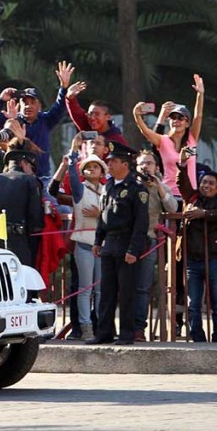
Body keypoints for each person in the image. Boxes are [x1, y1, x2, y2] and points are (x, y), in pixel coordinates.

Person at [87, 142, 149, 345]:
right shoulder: (109, 185)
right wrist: (98, 240)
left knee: (127, 292)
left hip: (126, 243)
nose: (110, 164)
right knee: (106, 292)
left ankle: (126, 334)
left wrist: (133, 250)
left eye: (113, 161)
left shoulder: (137, 189)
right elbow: (103, 216)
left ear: (125, 164)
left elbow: (141, 223)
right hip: (110, 243)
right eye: (109, 161)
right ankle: (104, 332)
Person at [0, 61, 73, 174]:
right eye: (25, 103)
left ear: (39, 106)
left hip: (41, 177)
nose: (28, 106)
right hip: (16, 174)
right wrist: (1, 99)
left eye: (32, 102)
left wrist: (64, 87)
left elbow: (60, 106)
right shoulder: (13, 122)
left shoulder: (46, 120)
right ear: (20, 105)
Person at [59, 151, 108, 341]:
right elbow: (72, 177)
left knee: (101, 290)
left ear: (102, 172)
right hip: (84, 244)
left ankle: (101, 326)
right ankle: (86, 327)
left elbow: (115, 214)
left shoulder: (107, 190)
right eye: (87, 167)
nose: (91, 169)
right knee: (85, 289)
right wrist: (72, 160)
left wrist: (99, 214)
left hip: (102, 246)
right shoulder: (80, 190)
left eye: (95, 167)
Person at [132, 74, 204, 199]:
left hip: (190, 195)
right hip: (169, 195)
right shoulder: (163, 140)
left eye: (180, 118)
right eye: (173, 118)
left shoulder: (191, 139)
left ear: (187, 123)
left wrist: (200, 94)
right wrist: (136, 115)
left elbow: (198, 116)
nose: (176, 121)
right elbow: (145, 131)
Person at [133, 150, 177, 341]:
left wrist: (158, 186)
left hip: (149, 241)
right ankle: (123, 326)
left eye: (149, 163)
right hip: (127, 242)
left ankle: (138, 328)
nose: (145, 167)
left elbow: (172, 208)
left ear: (156, 167)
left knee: (143, 288)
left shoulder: (161, 186)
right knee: (124, 286)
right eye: (142, 163)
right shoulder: (130, 184)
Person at [176, 152, 217, 343]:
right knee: (193, 303)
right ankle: (197, 337)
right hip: (192, 260)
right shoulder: (191, 197)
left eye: (211, 183)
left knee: (216, 302)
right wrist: (183, 163)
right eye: (204, 182)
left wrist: (204, 214)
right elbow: (182, 182)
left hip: (214, 259)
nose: (206, 186)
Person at [0, 149, 44, 269]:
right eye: (31, 167)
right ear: (23, 163)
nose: (32, 171)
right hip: (18, 240)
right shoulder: (30, 181)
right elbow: (35, 216)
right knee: (20, 274)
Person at [64, 83, 129, 145]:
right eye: (90, 114)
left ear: (108, 117)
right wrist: (70, 97)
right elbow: (75, 111)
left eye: (97, 114)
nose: (92, 118)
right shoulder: (87, 128)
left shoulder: (117, 141)